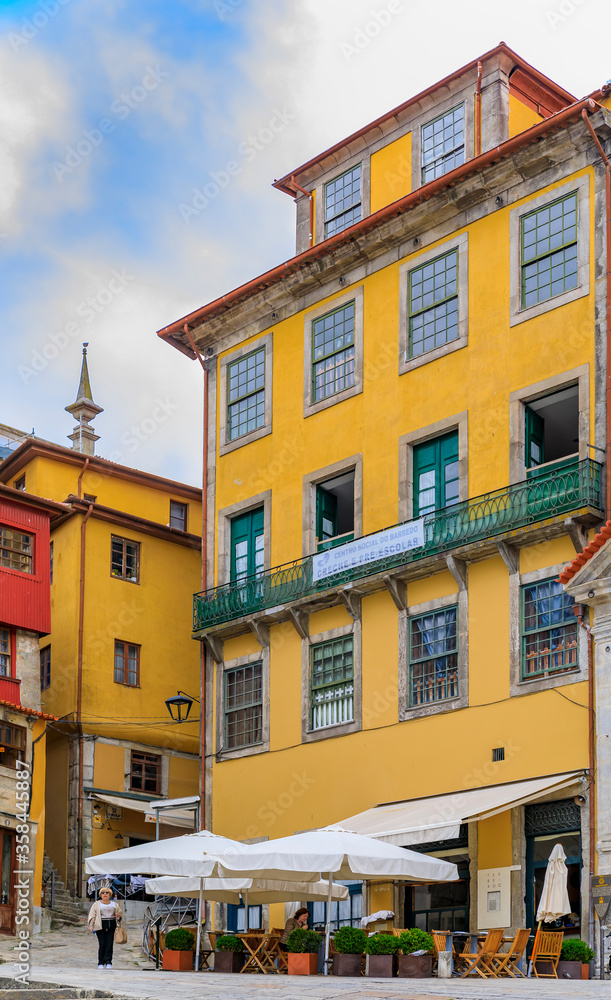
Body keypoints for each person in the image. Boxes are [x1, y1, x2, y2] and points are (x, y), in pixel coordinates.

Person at [87, 886, 123, 969]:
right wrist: (91, 926)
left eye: (107, 892)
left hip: (111, 924)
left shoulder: (115, 904)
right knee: (102, 944)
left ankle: (108, 961)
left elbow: (120, 915)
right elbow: (92, 915)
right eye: (103, 893)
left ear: (110, 894)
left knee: (109, 944)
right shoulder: (96, 904)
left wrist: (118, 916)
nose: (105, 894)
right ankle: (101, 962)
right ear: (100, 895)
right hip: (100, 925)